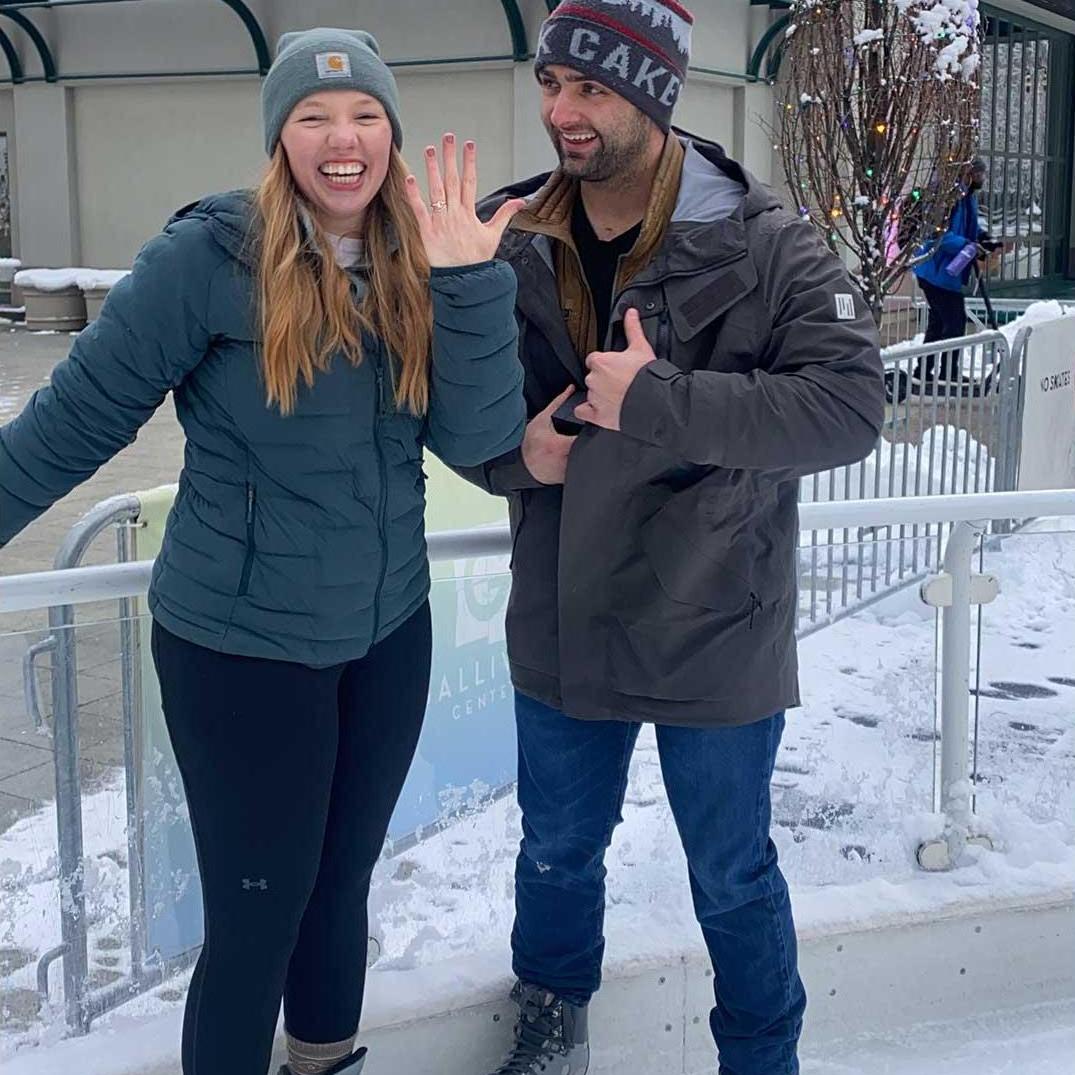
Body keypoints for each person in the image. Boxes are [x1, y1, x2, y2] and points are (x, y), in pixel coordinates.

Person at [0, 27, 526, 1075]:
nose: (344, 139)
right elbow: (75, 418)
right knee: (257, 915)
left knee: (340, 887)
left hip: (386, 633)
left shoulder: (420, 257)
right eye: (315, 117)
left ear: (391, 133)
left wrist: (471, 283)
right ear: (279, 138)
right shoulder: (208, 259)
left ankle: (327, 1065)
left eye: (366, 116)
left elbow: (478, 443)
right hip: (241, 649)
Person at [457, 3, 885, 1073]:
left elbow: (848, 409)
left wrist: (658, 399)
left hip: (715, 611)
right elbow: (450, 405)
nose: (562, 111)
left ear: (654, 94)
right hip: (563, 613)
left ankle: (760, 1053)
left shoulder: (766, 238)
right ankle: (552, 1020)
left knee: (731, 868)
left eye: (591, 89)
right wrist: (513, 458)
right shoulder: (501, 231)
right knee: (556, 851)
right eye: (551, 83)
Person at [909, 157, 1002, 387]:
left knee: (939, 323)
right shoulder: (947, 199)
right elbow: (939, 235)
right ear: (967, 174)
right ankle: (947, 374)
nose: (982, 179)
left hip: (946, 273)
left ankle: (924, 372)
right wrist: (969, 246)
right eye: (979, 175)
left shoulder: (966, 197)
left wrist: (983, 237)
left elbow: (968, 228)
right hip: (935, 270)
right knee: (955, 322)